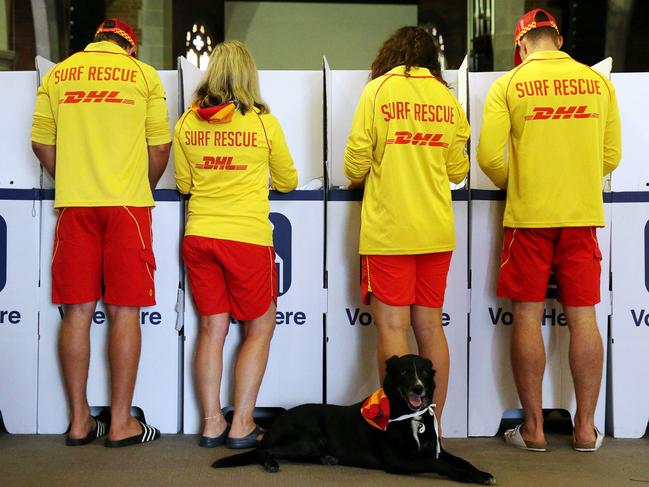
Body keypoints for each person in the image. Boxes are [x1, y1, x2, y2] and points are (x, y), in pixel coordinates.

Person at [477, 8, 621, 452]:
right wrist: (576, 178)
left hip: (529, 217)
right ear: (558, 40)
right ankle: (584, 429)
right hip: (580, 215)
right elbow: (611, 155)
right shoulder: (597, 83)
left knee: (526, 315)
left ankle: (534, 430)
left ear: (521, 47)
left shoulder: (509, 84)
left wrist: (519, 182)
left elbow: (488, 157)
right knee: (583, 317)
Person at [31, 19, 171, 447]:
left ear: (94, 42)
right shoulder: (144, 75)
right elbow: (160, 147)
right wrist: (139, 185)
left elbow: (40, 143)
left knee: (76, 312)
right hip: (127, 206)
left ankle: (79, 422)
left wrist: (71, 179)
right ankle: (123, 423)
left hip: (75, 206)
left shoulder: (58, 74)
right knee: (124, 312)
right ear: (129, 46)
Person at [344, 26, 470, 431]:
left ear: (389, 55)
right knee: (431, 328)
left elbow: (354, 165)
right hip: (435, 231)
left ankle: (401, 430)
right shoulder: (446, 97)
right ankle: (434, 430)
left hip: (389, 231)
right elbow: (458, 169)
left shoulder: (378, 91)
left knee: (394, 328)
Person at [174, 40, 297, 449]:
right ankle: (242, 423)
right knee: (260, 326)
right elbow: (287, 180)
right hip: (245, 239)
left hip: (199, 236)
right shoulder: (263, 123)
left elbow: (184, 185)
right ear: (249, 75)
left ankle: (211, 423)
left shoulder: (188, 122)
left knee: (212, 329)